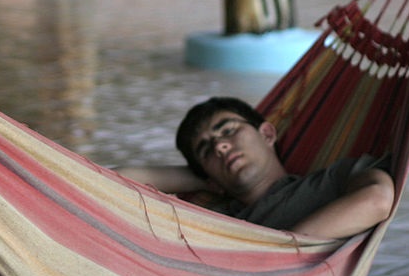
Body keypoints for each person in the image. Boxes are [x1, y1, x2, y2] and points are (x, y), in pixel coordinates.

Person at [118, 96, 394, 240]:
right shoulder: (217, 218)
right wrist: (203, 178)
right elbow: (111, 185)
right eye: (206, 149)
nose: (220, 147)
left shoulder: (330, 181)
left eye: (228, 131)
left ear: (267, 134)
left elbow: (378, 199)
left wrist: (284, 249)